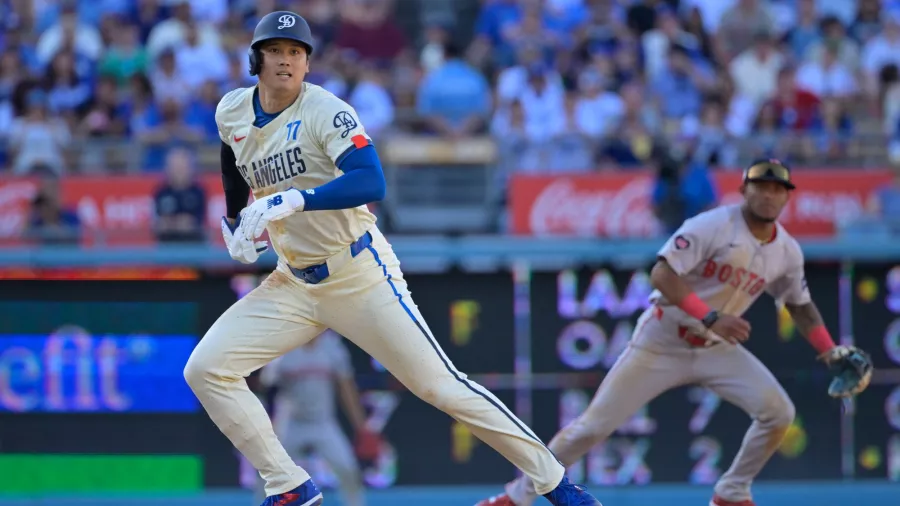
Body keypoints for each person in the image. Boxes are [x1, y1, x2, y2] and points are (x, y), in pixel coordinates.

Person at [181, 11, 601, 506]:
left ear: (308, 63)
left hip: (356, 270)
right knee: (205, 369)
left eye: (296, 52)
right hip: (293, 282)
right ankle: (289, 485)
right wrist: (234, 219)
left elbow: (370, 180)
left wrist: (297, 198)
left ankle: (555, 482)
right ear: (256, 58)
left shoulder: (326, 111)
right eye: (276, 50)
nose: (286, 61)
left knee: (440, 386)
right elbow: (234, 156)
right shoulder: (232, 109)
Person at [476, 159, 873, 506]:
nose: (769, 195)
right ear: (743, 189)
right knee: (593, 427)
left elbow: (799, 305)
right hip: (663, 340)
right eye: (760, 186)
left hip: (716, 348)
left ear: (787, 196)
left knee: (778, 412)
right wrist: (711, 315)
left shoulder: (786, 250)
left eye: (777, 188)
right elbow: (662, 273)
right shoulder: (713, 224)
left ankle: (732, 492)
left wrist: (829, 350)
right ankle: (517, 496)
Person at [252, 330, 373, 506]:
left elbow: (346, 388)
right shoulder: (284, 346)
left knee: (347, 469)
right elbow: (266, 389)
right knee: (270, 470)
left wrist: (362, 427)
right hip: (290, 423)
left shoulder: (332, 345)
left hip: (323, 422)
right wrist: (267, 425)